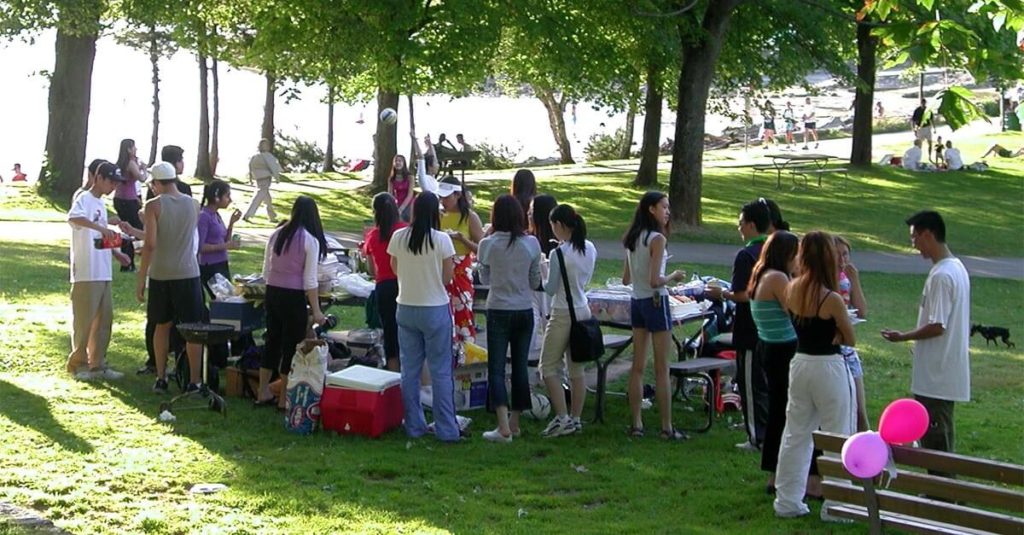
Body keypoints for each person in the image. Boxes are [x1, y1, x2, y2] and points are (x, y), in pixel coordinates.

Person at [774, 231, 856, 520]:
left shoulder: (792, 288)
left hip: (800, 362)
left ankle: (787, 501)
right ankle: (836, 504)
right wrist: (836, 332)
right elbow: (850, 337)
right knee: (837, 434)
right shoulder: (831, 298)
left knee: (795, 433)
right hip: (827, 366)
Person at [881, 211, 970, 458]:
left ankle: (942, 493)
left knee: (936, 445)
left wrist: (902, 336)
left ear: (928, 235)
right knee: (935, 439)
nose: (913, 245)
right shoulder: (955, 267)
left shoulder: (942, 275)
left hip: (937, 376)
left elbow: (937, 325)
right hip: (939, 373)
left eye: (914, 238)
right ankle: (941, 492)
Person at [748, 231, 819, 495]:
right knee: (787, 412)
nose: (798, 260)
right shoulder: (777, 278)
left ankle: (776, 474)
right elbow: (799, 311)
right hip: (782, 351)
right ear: (785, 254)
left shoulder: (763, 274)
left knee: (781, 411)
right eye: (796, 255)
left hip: (771, 347)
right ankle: (784, 475)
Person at [387, 192, 460, 443]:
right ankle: (447, 429)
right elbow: (448, 278)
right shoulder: (441, 240)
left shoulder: (399, 236)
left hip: (406, 306)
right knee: (440, 371)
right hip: (434, 307)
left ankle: (414, 425)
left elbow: (395, 268)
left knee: (410, 370)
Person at [706, 199, 772, 451]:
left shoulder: (747, 255)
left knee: (750, 384)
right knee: (765, 382)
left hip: (749, 328)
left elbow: (743, 293)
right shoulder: (775, 249)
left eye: (741, 223)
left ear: (752, 225)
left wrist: (722, 294)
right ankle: (766, 431)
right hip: (771, 329)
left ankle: (757, 437)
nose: (739, 228)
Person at [622, 191, 688, 440]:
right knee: (662, 367)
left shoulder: (632, 238)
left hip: (636, 302)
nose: (667, 212)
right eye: (664, 207)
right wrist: (673, 277)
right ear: (651, 209)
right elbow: (654, 280)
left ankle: (637, 423)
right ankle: (666, 427)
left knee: (637, 366)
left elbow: (625, 279)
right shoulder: (657, 239)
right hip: (655, 301)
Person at [477, 195, 542, 443]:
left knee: (496, 367)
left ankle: (502, 425)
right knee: (520, 366)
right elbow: (535, 282)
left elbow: (484, 280)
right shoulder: (531, 244)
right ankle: (515, 421)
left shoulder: (488, 244)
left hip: (498, 308)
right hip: (524, 309)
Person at [136, 162, 206, 394]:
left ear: (156, 183)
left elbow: (151, 244)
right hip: (188, 272)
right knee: (192, 328)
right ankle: (194, 380)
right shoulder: (193, 204)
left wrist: (141, 278)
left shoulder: (153, 206)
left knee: (161, 325)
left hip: (161, 273)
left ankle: (161, 376)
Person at [255, 196, 329, 408]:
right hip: (293, 296)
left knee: (272, 340)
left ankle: (262, 391)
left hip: (272, 291)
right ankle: (283, 397)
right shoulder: (309, 240)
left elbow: (265, 270)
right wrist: (316, 311)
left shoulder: (277, 234)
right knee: (291, 345)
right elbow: (310, 281)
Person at [65, 162, 131, 380]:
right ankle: (78, 364)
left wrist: (117, 253)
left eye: (116, 183)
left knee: (104, 320)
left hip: (103, 271)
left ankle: (97, 363)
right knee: (84, 320)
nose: (113, 186)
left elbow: (100, 239)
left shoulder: (101, 204)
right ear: (99, 178)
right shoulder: (84, 198)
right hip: (86, 271)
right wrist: (102, 227)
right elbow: (73, 218)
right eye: (111, 181)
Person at [538, 204, 597, 438]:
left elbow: (550, 289)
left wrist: (543, 271)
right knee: (576, 369)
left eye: (553, 226)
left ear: (560, 226)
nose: (552, 230)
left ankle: (562, 417)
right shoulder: (589, 248)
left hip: (563, 311)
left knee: (548, 366)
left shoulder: (558, 254)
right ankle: (575, 418)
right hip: (583, 308)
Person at [362, 192, 408, 372]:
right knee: (408, 332)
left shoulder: (373, 236)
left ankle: (393, 373)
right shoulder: (405, 230)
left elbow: (372, 270)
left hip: (384, 286)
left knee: (390, 333)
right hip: (404, 283)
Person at [438, 174, 484, 347]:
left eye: (447, 197)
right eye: (441, 197)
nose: (443, 201)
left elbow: (482, 248)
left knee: (462, 312)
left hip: (461, 269)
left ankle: (466, 350)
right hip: (442, 267)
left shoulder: (469, 217)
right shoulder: (439, 216)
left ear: (457, 195)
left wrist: (462, 239)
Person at [834, 235, 870, 432]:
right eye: (836, 255)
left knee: (860, 413)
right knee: (838, 413)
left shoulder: (847, 277)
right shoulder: (822, 279)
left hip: (848, 352)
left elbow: (862, 311)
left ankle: (867, 457)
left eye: (845, 254)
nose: (842, 260)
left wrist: (855, 280)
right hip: (831, 354)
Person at [197, 180, 241, 299]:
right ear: (217, 197)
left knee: (228, 299)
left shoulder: (216, 215)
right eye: (227, 196)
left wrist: (231, 223)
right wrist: (226, 246)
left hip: (221, 263)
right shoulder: (204, 216)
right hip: (210, 266)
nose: (230, 200)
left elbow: (224, 240)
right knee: (223, 300)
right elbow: (200, 247)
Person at [528, 194, 558, 363]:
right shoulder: (529, 238)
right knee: (531, 325)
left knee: (550, 328)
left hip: (548, 292)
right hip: (532, 290)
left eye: (531, 211)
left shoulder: (557, 243)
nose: (528, 214)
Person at [114, 139, 146, 272]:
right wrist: (144, 169)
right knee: (135, 229)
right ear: (129, 149)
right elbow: (141, 178)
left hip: (120, 199)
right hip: (128, 201)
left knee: (125, 229)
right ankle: (132, 260)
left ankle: (127, 262)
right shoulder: (131, 163)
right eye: (134, 147)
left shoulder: (120, 164)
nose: (136, 149)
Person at [243, 139, 281, 223]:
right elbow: (274, 166)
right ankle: (248, 214)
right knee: (259, 197)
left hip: (258, 178)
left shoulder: (255, 157)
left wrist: (251, 178)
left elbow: (251, 168)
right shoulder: (267, 156)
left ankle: (272, 216)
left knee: (267, 199)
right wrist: (277, 177)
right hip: (265, 178)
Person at [388, 154, 415, 222]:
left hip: (409, 203)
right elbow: (390, 194)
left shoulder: (410, 177)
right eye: (396, 161)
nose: (397, 162)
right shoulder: (391, 178)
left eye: (400, 161)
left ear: (404, 163)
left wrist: (401, 208)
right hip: (397, 203)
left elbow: (410, 194)